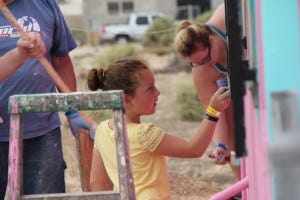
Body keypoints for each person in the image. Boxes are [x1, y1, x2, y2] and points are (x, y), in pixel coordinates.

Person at [88, 58, 230, 199]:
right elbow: (194, 149)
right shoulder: (143, 134)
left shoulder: (102, 130)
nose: (157, 92)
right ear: (126, 99)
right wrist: (213, 110)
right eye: (150, 89)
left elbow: (97, 183)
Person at [0, 0, 90, 198]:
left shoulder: (44, 3)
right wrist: (20, 54)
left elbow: (61, 60)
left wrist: (73, 109)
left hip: (42, 132)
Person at [173, 3, 241, 180]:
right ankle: (243, 186)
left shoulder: (226, 17)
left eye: (204, 59)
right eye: (196, 63)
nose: (204, 65)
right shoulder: (201, 71)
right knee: (231, 143)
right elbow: (215, 110)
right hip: (237, 84)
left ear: (211, 40)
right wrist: (220, 144)